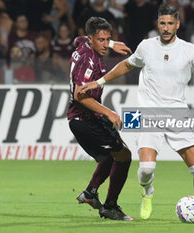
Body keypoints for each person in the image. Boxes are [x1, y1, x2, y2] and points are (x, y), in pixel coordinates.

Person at [80, 5, 194, 222]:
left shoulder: (189, 49)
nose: (166, 28)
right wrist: (100, 80)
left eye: (170, 23)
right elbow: (126, 65)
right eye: (162, 23)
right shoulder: (146, 46)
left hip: (177, 114)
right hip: (146, 113)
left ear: (178, 24)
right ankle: (147, 191)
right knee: (146, 169)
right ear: (157, 24)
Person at [67, 16, 133, 221]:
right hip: (85, 118)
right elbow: (80, 94)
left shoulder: (83, 44)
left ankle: (90, 193)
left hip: (84, 118)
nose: (105, 44)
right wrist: (108, 112)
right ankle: (110, 206)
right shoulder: (89, 60)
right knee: (123, 156)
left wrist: (113, 44)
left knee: (109, 157)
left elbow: (78, 39)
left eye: (108, 39)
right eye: (101, 40)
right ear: (91, 39)